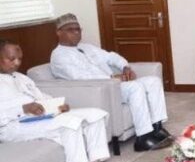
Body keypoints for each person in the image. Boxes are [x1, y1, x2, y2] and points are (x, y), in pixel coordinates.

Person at [0, 39, 109, 162]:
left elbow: (41, 97)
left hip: (38, 117)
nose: (17, 63)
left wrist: (57, 104)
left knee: (95, 114)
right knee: (70, 124)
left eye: (19, 59)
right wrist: (22, 109)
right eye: (11, 59)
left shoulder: (21, 78)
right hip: (12, 126)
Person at [49, 13, 170, 152]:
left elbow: (111, 57)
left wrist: (125, 67)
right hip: (100, 90)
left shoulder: (87, 47)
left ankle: (157, 127)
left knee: (153, 81)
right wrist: (112, 78)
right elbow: (81, 78)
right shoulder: (59, 56)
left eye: (78, 29)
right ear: (59, 32)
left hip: (115, 84)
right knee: (135, 87)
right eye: (70, 30)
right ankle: (143, 137)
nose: (76, 33)